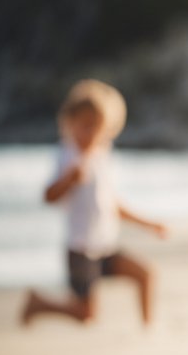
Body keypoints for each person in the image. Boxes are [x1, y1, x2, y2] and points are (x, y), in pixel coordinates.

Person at [20, 79, 167, 326]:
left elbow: (111, 204)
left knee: (146, 275)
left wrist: (148, 224)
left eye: (97, 127)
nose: (90, 133)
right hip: (80, 250)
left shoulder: (102, 156)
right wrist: (68, 180)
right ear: (69, 123)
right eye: (85, 126)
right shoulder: (66, 155)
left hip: (105, 245)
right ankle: (38, 303)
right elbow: (48, 197)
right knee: (86, 314)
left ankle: (148, 334)